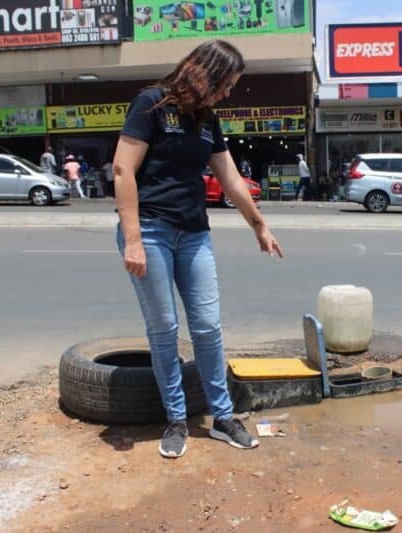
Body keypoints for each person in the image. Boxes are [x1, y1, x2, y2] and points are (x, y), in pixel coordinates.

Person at [113, 40, 284, 459]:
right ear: (206, 73)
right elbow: (122, 169)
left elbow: (230, 179)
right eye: (227, 84)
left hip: (193, 234)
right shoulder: (151, 105)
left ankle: (222, 418)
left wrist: (259, 225)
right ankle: (176, 419)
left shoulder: (207, 119)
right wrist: (133, 240)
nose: (228, 92)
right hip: (149, 230)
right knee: (164, 329)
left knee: (207, 327)